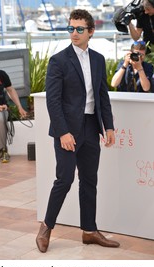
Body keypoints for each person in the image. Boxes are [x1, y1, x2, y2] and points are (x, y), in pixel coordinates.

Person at [36, 9, 120, 253]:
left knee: (89, 180)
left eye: (79, 29)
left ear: (90, 31)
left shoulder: (98, 59)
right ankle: (45, 228)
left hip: (92, 127)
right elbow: (53, 101)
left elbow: (102, 96)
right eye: (70, 28)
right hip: (67, 130)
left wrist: (109, 126)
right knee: (65, 179)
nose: (74, 33)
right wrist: (63, 132)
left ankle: (89, 231)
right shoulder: (58, 60)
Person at [0, 53, 27, 163]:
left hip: (1, 110)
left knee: (0, 120)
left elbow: (10, 90)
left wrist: (19, 107)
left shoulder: (1, 75)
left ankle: (3, 150)